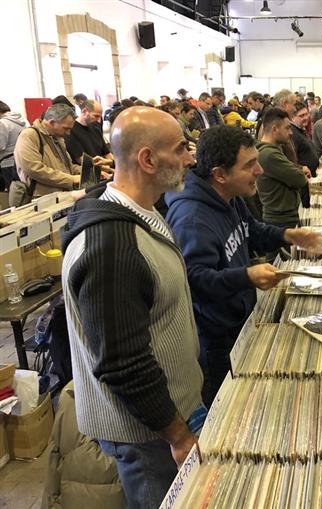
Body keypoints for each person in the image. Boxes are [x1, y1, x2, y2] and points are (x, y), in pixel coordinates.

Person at [60, 106, 204, 509]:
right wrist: (177, 434)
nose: (191, 158)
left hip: (167, 417)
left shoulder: (142, 214)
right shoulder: (112, 247)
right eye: (181, 149)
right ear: (148, 160)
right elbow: (122, 363)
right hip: (147, 435)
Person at [166, 125, 322, 406]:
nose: (260, 171)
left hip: (240, 320)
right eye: (249, 165)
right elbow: (193, 281)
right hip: (216, 341)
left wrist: (287, 235)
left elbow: (250, 229)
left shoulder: (228, 195)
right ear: (220, 174)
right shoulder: (192, 218)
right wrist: (246, 276)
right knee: (229, 405)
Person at [256, 108, 311, 228]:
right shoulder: (269, 155)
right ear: (274, 129)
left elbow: (289, 169)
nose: (291, 132)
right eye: (287, 128)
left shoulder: (273, 150)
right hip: (281, 220)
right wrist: (300, 172)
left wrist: (298, 169)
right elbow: (300, 179)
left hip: (283, 217)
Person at [13, 103, 82, 198]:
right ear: (52, 122)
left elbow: (66, 167)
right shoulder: (29, 135)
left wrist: (89, 171)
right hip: (41, 197)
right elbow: (34, 169)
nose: (68, 133)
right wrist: (71, 179)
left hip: (60, 194)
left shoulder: (58, 138)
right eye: (66, 128)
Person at [65, 100, 113, 166]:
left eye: (100, 117)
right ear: (84, 111)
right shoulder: (71, 131)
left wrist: (115, 164)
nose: (99, 121)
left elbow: (107, 153)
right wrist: (105, 168)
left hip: (103, 166)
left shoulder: (96, 128)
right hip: (89, 169)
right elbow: (81, 160)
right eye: (96, 116)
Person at [0, 100, 27, 190]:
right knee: (22, 189)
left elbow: (1, 146)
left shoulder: (2, 123)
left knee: (13, 191)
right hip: (21, 160)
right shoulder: (22, 120)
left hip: (8, 163)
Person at [291, 101, 318, 175]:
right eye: (302, 115)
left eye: (307, 114)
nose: (306, 118)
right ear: (292, 117)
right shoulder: (292, 133)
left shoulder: (302, 129)